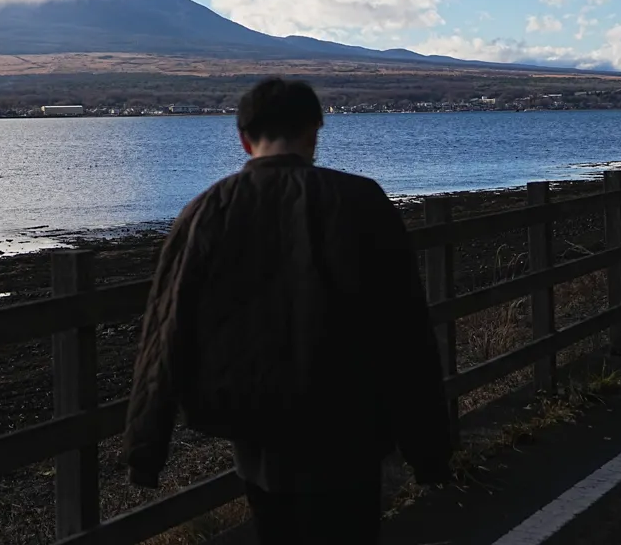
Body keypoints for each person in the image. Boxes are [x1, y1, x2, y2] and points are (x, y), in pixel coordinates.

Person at [121, 78, 450, 544]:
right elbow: (406, 331)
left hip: (257, 428)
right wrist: (428, 447)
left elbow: (164, 332)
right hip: (351, 424)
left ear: (243, 137)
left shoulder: (208, 209)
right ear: (315, 130)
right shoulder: (361, 201)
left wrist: (145, 449)